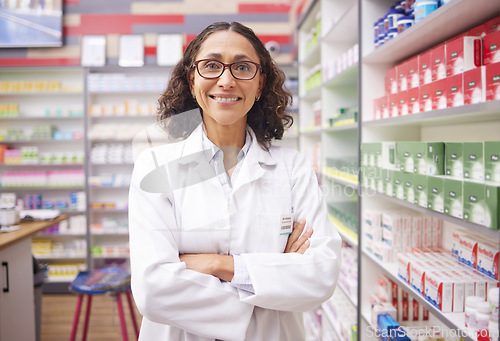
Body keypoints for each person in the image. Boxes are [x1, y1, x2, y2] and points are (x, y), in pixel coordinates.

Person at [128, 21, 341, 341]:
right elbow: (153, 290)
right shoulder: (155, 166)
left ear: (260, 84)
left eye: (242, 67)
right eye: (211, 66)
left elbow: (320, 276)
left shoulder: (292, 167)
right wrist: (272, 279)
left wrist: (218, 265)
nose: (226, 80)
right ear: (191, 79)